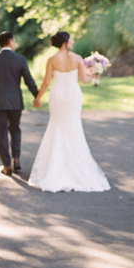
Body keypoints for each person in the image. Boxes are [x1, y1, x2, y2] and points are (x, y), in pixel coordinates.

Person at [29, 31, 110, 192]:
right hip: (73, 96)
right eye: (71, 39)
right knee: (73, 127)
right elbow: (85, 79)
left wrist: (38, 98)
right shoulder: (77, 58)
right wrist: (96, 74)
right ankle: (75, 168)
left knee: (57, 126)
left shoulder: (52, 60)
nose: (73, 41)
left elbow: (46, 82)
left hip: (57, 95)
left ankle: (55, 168)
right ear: (65, 42)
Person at [0, 31, 39, 176]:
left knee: (0, 134)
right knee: (15, 129)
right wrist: (37, 96)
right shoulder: (20, 60)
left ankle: (7, 166)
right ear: (11, 42)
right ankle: (16, 159)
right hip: (15, 102)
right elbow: (29, 80)